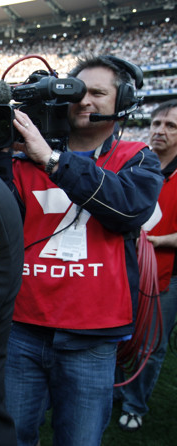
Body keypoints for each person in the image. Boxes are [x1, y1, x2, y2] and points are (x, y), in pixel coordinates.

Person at [0, 55, 163, 445]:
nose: (85, 101)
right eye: (79, 92)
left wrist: (52, 161)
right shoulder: (22, 157)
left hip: (92, 336)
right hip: (22, 327)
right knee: (10, 436)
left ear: (124, 101)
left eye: (98, 93)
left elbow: (129, 210)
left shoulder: (136, 156)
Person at [117, 99, 177, 431]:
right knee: (113, 333)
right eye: (156, 124)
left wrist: (162, 241)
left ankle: (135, 404)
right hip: (122, 267)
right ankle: (112, 391)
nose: (160, 131)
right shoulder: (133, 161)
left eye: (171, 126)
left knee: (151, 343)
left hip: (165, 275)